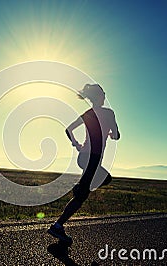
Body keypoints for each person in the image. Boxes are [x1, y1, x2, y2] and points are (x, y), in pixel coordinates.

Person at [47, 83, 120, 243]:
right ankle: (57, 226)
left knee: (94, 186)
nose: (105, 95)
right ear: (100, 96)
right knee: (89, 191)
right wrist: (111, 132)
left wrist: (77, 144)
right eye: (104, 93)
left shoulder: (88, 113)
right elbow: (116, 135)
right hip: (92, 159)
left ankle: (60, 221)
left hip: (83, 157)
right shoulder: (109, 113)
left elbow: (68, 129)